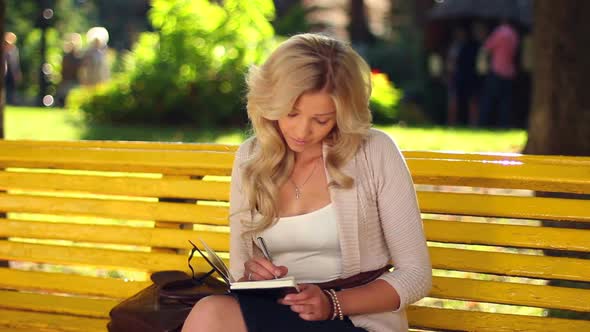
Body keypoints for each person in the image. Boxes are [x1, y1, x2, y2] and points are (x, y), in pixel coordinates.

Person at [182, 33, 432, 332]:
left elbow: (416, 275)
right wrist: (253, 277)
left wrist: (332, 303)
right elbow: (240, 273)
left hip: (354, 320)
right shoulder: (251, 158)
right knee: (209, 313)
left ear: (342, 114)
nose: (302, 131)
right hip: (276, 314)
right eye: (291, 113)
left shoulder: (374, 152)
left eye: (321, 119)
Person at [479, 20, 519, 128]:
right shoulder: (514, 34)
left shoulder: (499, 32)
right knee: (505, 102)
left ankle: (484, 123)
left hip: (497, 70)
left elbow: (486, 48)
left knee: (489, 99)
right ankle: (503, 124)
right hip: (510, 71)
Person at [3, 32, 23, 105]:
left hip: (11, 72)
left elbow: (15, 63)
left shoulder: (14, 50)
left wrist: (17, 73)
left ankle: (10, 101)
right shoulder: (3, 49)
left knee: (11, 87)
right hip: (3, 72)